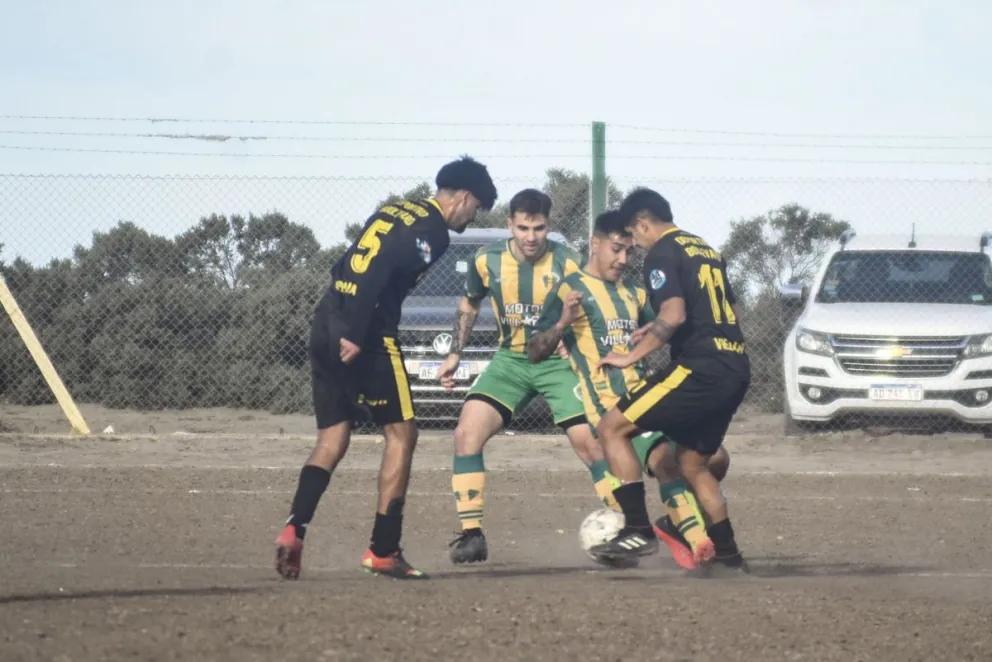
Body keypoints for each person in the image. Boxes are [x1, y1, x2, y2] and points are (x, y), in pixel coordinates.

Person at [274, 156, 498, 581]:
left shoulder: (394, 209)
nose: (474, 216)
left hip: (326, 319)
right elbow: (374, 274)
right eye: (478, 207)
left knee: (332, 438)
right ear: (464, 198)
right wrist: (357, 333)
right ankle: (384, 550)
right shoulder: (434, 232)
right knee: (402, 433)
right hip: (367, 334)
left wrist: (341, 324)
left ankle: (294, 528)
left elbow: (346, 265)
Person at [527, 210, 730, 571]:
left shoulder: (636, 294)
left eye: (629, 252)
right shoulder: (569, 289)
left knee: (715, 459)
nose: (623, 259)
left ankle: (675, 526)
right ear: (595, 243)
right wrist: (562, 323)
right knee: (664, 462)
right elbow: (535, 351)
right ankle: (700, 544)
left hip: (651, 395)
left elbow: (668, 323)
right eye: (616, 250)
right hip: (610, 406)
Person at [437, 188, 620, 565]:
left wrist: (580, 345)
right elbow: (469, 303)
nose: (531, 236)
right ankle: (472, 536)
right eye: (523, 227)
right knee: (465, 433)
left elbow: (599, 305)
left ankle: (627, 532)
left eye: (538, 227)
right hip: (510, 363)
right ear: (510, 225)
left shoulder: (570, 263)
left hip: (558, 364)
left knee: (592, 446)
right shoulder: (486, 260)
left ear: (548, 226)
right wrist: (456, 352)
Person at [586, 188, 751, 575]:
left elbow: (673, 314)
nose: (637, 246)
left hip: (701, 368)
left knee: (611, 428)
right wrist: (661, 331)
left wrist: (630, 356)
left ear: (643, 223)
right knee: (692, 465)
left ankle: (638, 528)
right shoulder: (705, 248)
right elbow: (729, 312)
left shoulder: (662, 251)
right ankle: (729, 557)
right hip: (735, 366)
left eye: (635, 236)